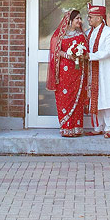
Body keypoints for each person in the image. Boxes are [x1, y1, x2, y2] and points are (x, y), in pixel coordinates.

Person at [46, 8, 89, 137]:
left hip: (77, 71)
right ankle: (66, 127)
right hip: (64, 72)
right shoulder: (59, 36)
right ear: (70, 21)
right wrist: (67, 54)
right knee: (65, 97)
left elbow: (86, 52)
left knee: (78, 97)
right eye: (77, 19)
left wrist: (80, 54)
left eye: (80, 19)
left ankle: (76, 128)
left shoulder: (81, 35)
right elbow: (55, 51)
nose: (80, 21)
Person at [86, 4, 110, 138]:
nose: (88, 19)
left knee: (106, 97)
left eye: (90, 17)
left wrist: (90, 56)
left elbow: (109, 51)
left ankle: (109, 128)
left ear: (99, 18)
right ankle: (97, 127)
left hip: (104, 70)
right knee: (94, 97)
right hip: (91, 71)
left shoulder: (109, 32)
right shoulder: (89, 33)